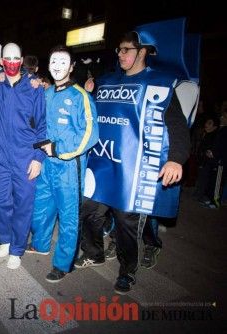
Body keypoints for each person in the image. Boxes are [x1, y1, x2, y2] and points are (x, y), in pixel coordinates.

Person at [80, 30, 191, 294]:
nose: (120, 54)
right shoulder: (106, 82)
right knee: (89, 213)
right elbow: (90, 115)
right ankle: (93, 253)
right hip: (102, 166)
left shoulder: (160, 84)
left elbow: (177, 126)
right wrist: (87, 94)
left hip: (132, 173)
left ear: (142, 52)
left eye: (126, 49)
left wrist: (176, 159)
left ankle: (127, 271)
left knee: (127, 224)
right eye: (118, 50)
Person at [26, 45, 98, 282]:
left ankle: (63, 263)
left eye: (63, 62)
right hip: (46, 165)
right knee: (40, 209)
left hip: (69, 167)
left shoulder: (81, 97)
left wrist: (58, 149)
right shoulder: (46, 93)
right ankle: (41, 244)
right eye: (54, 61)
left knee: (68, 217)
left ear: (72, 66)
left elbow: (90, 135)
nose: (57, 66)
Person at [0, 42, 46, 270]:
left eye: (16, 58)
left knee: (23, 204)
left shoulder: (34, 88)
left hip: (25, 157)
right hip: (1, 157)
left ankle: (17, 249)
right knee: (3, 202)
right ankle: (5, 240)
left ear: (21, 61)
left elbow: (43, 126)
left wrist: (38, 158)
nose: (12, 62)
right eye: (8, 58)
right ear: (2, 61)